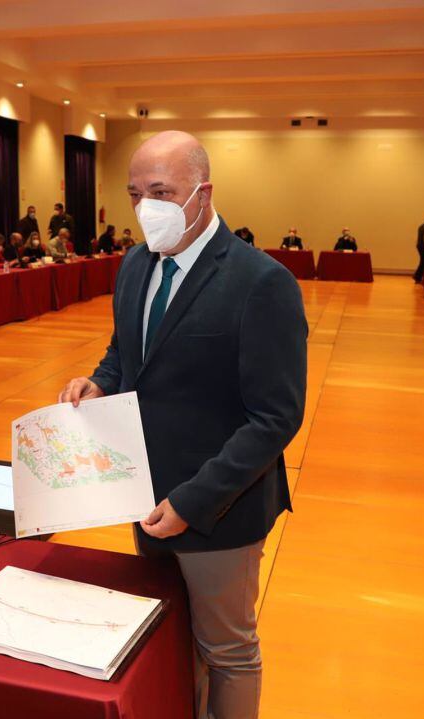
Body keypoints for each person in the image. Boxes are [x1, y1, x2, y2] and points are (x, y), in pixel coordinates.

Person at [59, 130, 306, 719]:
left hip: (218, 507)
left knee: (226, 650)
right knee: (166, 638)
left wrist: (193, 502)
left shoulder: (260, 282)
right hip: (143, 494)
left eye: (162, 191)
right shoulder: (135, 266)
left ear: (202, 192)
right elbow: (126, 354)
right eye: (135, 193)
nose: (147, 208)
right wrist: (99, 382)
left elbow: (275, 417)